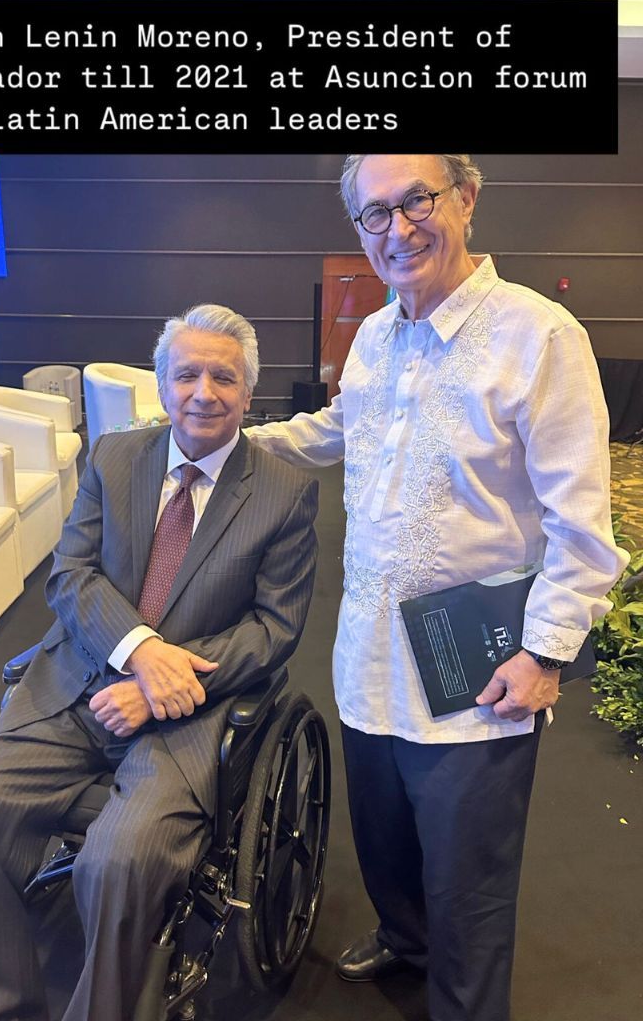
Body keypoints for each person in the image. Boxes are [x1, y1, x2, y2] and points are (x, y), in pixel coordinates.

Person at [246, 155, 628, 1021]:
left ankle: (464, 1002)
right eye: (374, 214)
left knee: (471, 877)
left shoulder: (541, 337)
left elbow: (583, 526)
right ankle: (406, 940)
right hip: (369, 651)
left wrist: (544, 654)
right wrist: (234, 439)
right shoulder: (377, 335)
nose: (399, 227)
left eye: (417, 199)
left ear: (466, 198)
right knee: (384, 839)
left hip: (478, 670)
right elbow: (340, 427)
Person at [0, 304, 319, 1021]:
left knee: (121, 859)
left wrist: (165, 684)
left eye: (223, 377)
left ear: (248, 393)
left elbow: (274, 628)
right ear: (162, 387)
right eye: (187, 374)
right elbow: (70, 575)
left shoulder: (285, 494)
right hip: (79, 683)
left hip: (188, 716)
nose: (204, 392)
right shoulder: (114, 457)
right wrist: (141, 654)